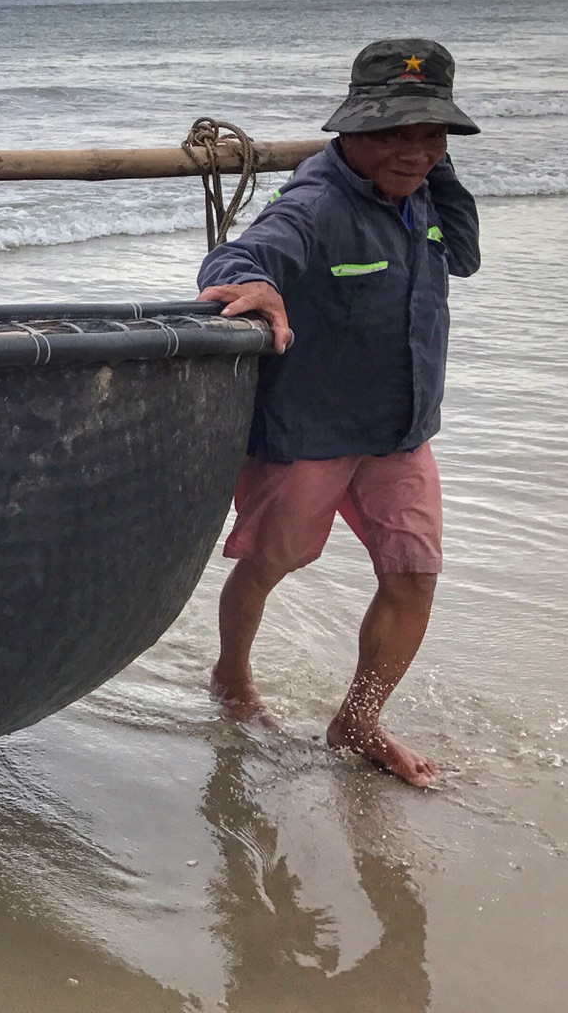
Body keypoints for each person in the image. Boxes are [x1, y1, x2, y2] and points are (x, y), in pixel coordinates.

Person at [197, 38, 481, 787]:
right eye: (393, 132)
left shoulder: (421, 186)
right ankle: (231, 674)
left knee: (414, 575)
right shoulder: (317, 202)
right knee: (268, 565)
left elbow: (466, 255)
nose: (413, 150)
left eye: (431, 132)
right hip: (311, 433)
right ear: (350, 128)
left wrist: (429, 165)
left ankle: (357, 721)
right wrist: (250, 283)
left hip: (401, 430)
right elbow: (242, 254)